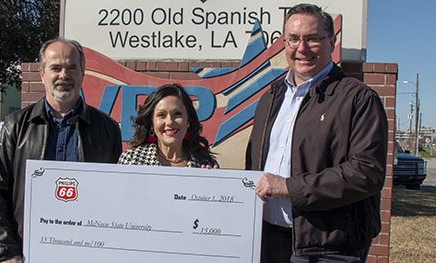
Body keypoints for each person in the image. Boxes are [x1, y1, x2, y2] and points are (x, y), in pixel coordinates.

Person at [246, 3, 388, 263]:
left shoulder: (358, 99)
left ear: (331, 42)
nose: (301, 48)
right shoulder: (271, 97)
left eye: (312, 39)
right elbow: (254, 167)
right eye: (293, 39)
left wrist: (289, 187)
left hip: (328, 249)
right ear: (283, 43)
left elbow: (367, 172)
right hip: (268, 242)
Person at [0, 37, 123, 263]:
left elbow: (119, 194)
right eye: (55, 68)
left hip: (88, 253)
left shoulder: (107, 129)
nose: (63, 75)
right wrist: (7, 252)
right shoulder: (15, 127)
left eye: (71, 68)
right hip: (28, 253)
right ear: (42, 74)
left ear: (82, 73)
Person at [119, 83, 218, 168]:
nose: (170, 121)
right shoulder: (132, 160)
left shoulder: (205, 164)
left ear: (188, 120)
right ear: (151, 123)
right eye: (161, 115)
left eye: (177, 114)